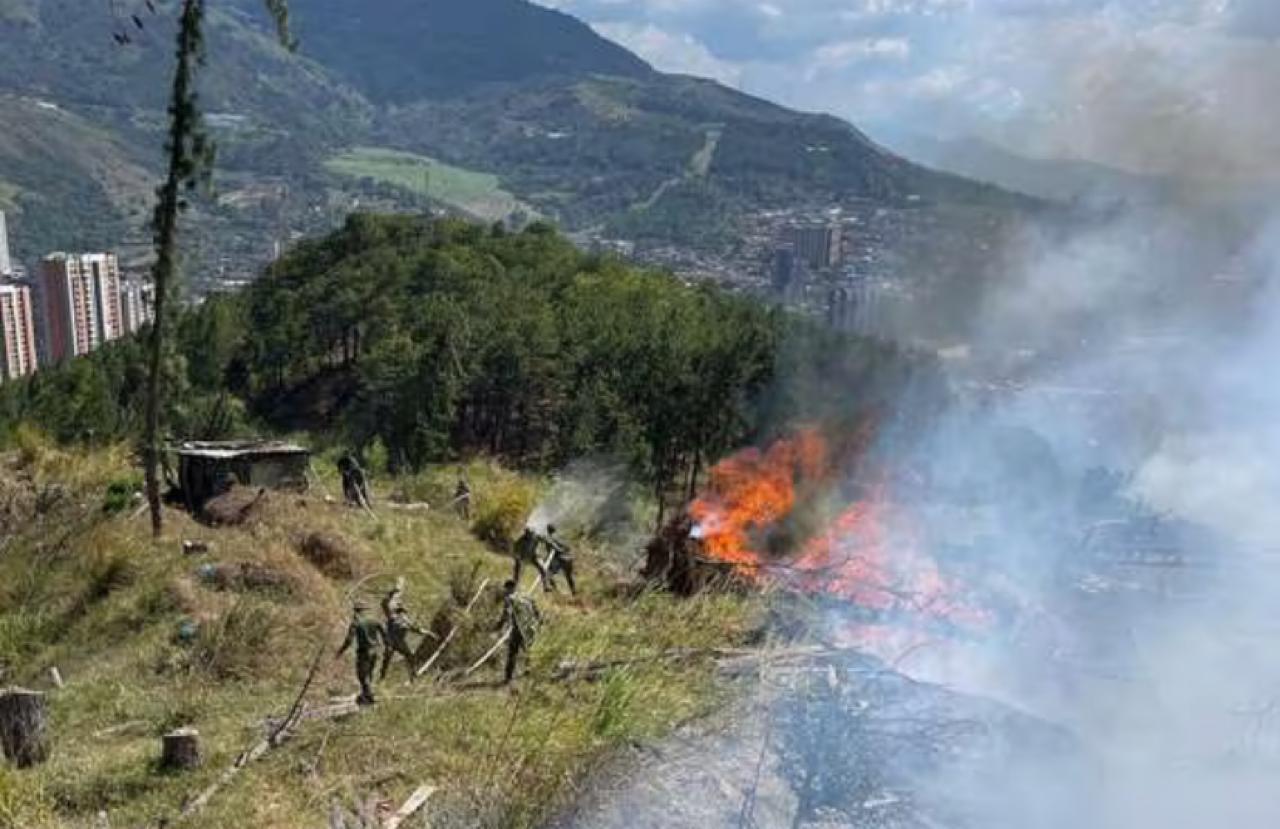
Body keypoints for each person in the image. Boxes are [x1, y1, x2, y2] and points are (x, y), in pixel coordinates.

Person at [380, 578, 436, 681]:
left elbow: (415, 629)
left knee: (405, 657)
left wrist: (429, 633)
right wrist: (396, 590)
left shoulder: (400, 619)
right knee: (390, 659)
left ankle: (411, 676)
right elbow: (386, 604)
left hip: (396, 642)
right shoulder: (394, 618)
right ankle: (384, 678)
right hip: (393, 642)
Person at [336, 601, 386, 705]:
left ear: (356, 611)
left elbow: (349, 640)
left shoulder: (356, 622)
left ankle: (370, 697)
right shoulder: (374, 620)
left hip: (364, 652)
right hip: (375, 651)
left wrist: (340, 651)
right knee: (369, 673)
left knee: (362, 675)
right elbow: (384, 633)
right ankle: (365, 695)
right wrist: (387, 645)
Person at [496, 580, 542, 685]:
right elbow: (536, 611)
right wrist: (539, 623)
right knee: (528, 651)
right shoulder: (527, 596)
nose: (505, 592)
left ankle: (508, 678)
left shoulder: (510, 599)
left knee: (512, 653)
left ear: (509, 588)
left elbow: (506, 613)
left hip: (518, 630)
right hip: (530, 628)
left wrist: (498, 626)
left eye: (506, 590)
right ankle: (529, 670)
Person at [512, 526, 552, 591]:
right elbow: (515, 549)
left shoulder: (536, 537)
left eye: (530, 533)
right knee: (517, 572)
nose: (529, 535)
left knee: (543, 569)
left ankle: (546, 586)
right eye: (527, 533)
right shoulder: (521, 540)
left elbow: (545, 540)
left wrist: (549, 543)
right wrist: (517, 556)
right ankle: (514, 587)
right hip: (522, 557)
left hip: (533, 556)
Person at [543, 524, 577, 596]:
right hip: (566, 557)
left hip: (557, 559)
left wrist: (560, 550)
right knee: (569, 576)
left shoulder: (548, 538)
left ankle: (555, 590)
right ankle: (573, 591)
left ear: (548, 530)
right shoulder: (559, 537)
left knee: (547, 574)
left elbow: (554, 547)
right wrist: (564, 550)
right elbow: (567, 547)